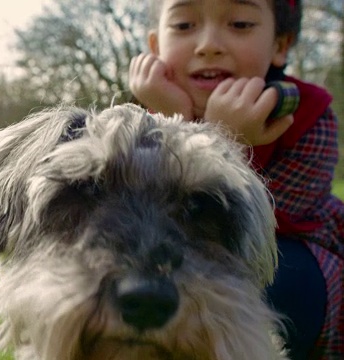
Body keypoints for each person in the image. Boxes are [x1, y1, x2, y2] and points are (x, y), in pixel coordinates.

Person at [128, 0, 343, 358]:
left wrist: (222, 136)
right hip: (182, 261)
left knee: (270, 283)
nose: (208, 44)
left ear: (280, 45)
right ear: (154, 47)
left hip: (293, 258)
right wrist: (172, 120)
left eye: (240, 24)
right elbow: (143, 215)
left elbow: (265, 227)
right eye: (184, 26)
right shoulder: (151, 115)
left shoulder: (308, 113)